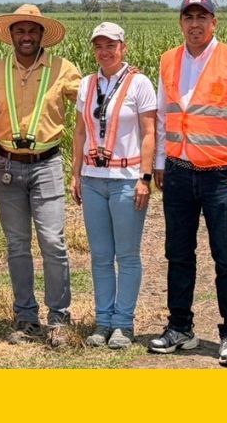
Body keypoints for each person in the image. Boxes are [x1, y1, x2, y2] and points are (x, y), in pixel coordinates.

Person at [149, 0, 227, 367]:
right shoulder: (168, 61)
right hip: (179, 173)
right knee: (178, 255)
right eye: (188, 17)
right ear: (180, 22)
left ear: (214, 22)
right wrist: (161, 160)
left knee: (226, 257)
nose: (194, 24)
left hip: (221, 177)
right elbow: (164, 116)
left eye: (202, 17)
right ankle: (180, 327)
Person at [0, 3, 81, 348]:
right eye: (20, 31)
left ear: (43, 36)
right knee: (17, 245)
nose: (26, 37)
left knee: (53, 243)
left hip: (48, 165)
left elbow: (91, 106)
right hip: (6, 167)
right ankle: (26, 317)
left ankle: (59, 318)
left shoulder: (64, 70)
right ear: (11, 35)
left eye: (32, 31)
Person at [71, 22, 156, 350]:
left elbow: (149, 132)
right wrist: (76, 173)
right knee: (100, 256)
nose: (105, 52)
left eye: (111, 45)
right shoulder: (88, 84)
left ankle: (123, 323)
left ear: (124, 47)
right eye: (99, 46)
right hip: (94, 179)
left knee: (128, 255)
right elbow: (80, 132)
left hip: (126, 180)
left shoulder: (139, 84)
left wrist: (145, 178)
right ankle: (102, 321)